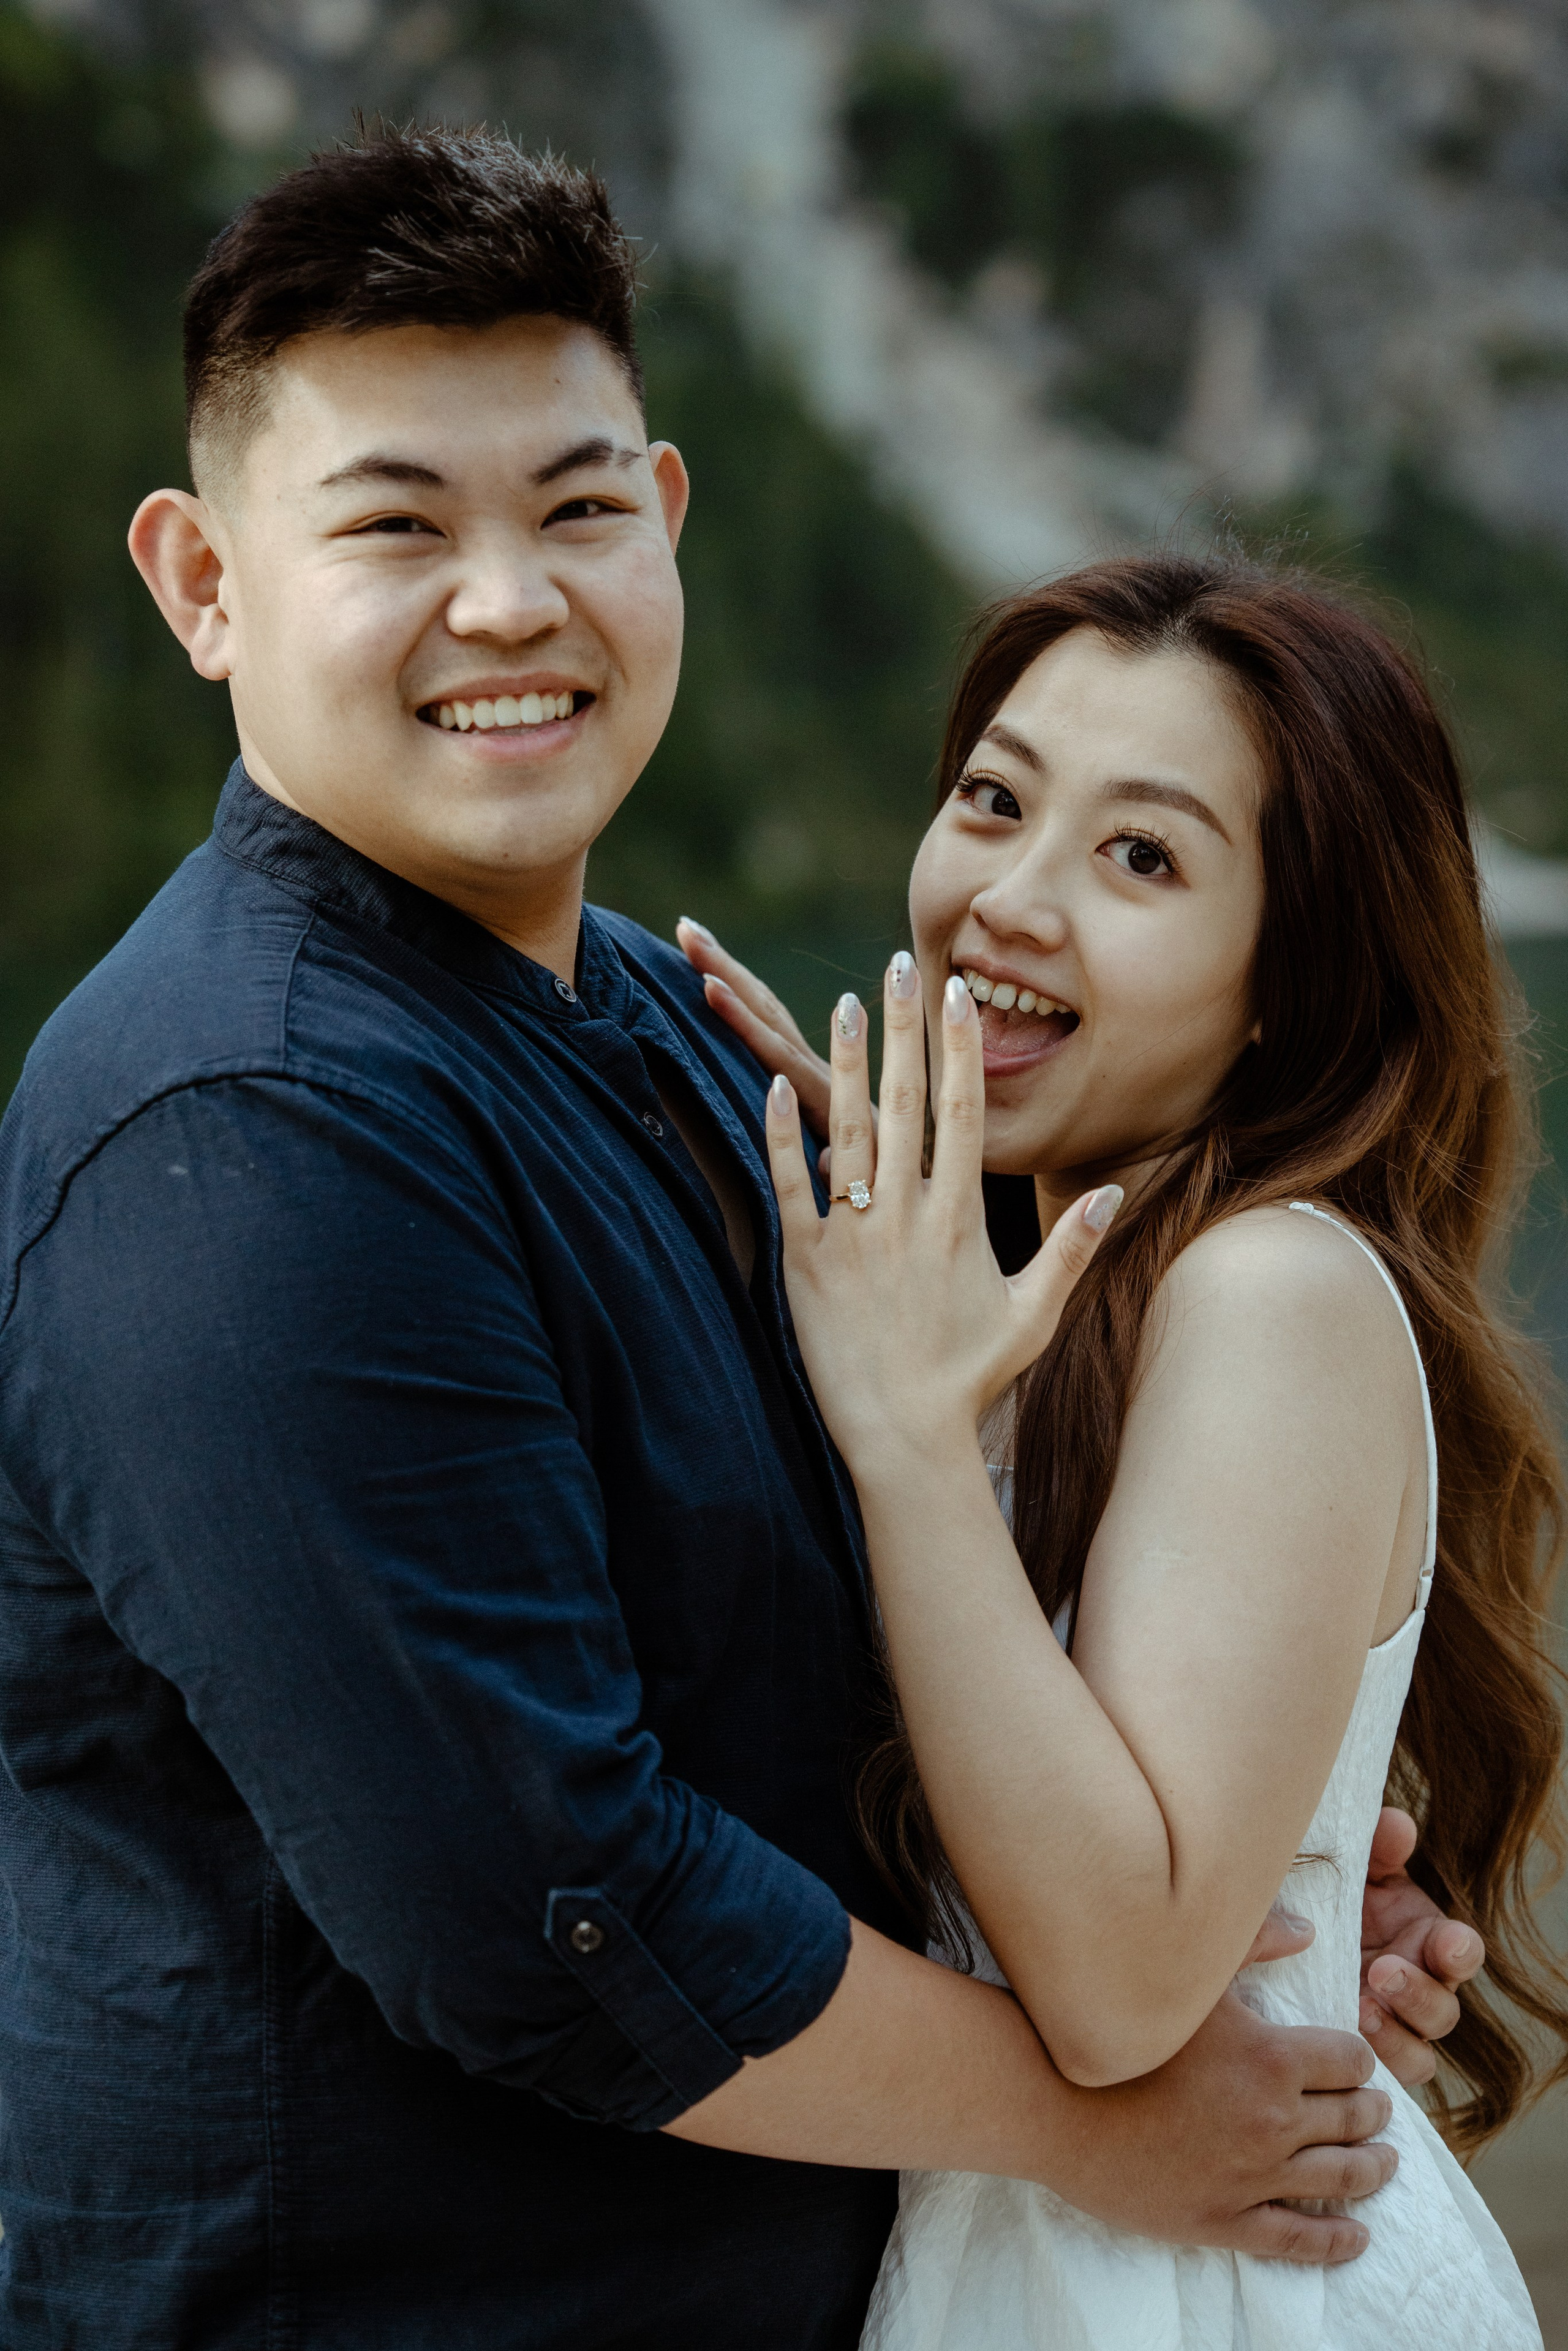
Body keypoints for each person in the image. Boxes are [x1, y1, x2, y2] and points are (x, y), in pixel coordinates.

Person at [0, 129, 1477, 2350]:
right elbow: (550, 1908)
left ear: (667, 522)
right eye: (397, 522)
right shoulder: (259, 1129)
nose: (511, 599)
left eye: (577, 507)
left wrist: (1250, 1861)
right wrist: (1102, 2105)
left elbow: (820, 1663)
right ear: (205, 584)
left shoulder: (674, 1043)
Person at [693, 557, 1568, 2347]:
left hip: (1189, 2284)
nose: (1009, 902)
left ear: (1287, 985)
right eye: (997, 802)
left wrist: (909, 1426)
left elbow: (1115, 1991)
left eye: (1143, 858)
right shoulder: (1053, 1300)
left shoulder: (1270, 1291)